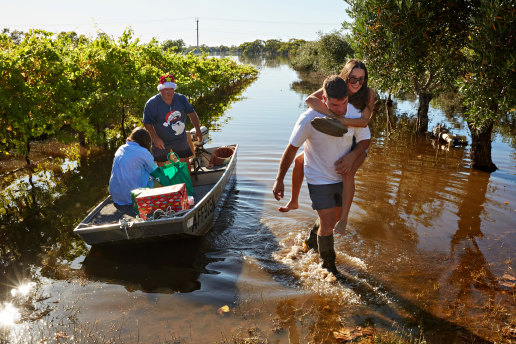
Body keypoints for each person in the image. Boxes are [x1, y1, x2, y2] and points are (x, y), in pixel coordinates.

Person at [273, 75, 371, 274]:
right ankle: (329, 267)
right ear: (324, 100)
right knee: (327, 224)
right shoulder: (309, 118)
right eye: (335, 105)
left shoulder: (353, 113)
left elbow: (365, 140)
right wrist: (279, 179)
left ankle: (309, 243)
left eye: (344, 102)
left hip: (341, 175)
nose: (341, 109)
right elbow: (292, 149)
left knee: (333, 219)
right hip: (318, 177)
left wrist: (353, 156)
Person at [278, 59, 375, 235]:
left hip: (356, 141)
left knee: (347, 172)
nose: (357, 83)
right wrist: (332, 113)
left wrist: (341, 121)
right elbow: (310, 100)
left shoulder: (368, 93)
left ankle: (344, 219)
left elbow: (364, 121)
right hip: (340, 132)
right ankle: (294, 200)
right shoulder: (335, 85)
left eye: (362, 79)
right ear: (345, 77)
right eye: (353, 79)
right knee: (300, 160)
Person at [143, 74, 203, 169]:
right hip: (161, 140)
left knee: (185, 164)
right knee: (162, 166)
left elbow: (192, 114)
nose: (169, 92)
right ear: (160, 90)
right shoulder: (152, 103)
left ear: (174, 89)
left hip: (180, 138)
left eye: (171, 89)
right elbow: (147, 122)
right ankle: (167, 183)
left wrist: (198, 129)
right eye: (166, 89)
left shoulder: (181, 99)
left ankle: (187, 183)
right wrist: (155, 138)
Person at [108, 127, 158, 206]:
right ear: (146, 141)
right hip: (133, 197)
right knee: (152, 175)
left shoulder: (121, 148)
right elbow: (155, 170)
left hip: (116, 197)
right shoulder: (143, 151)